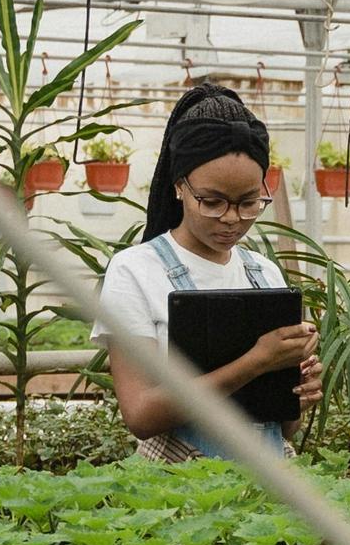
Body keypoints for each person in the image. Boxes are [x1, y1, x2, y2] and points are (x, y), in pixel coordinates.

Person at [98, 81, 321, 462]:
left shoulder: (264, 274)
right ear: (179, 186)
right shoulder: (135, 271)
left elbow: (285, 428)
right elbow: (140, 414)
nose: (232, 219)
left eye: (249, 203)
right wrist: (256, 362)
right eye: (213, 202)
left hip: (266, 484)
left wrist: (298, 389)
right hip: (179, 493)